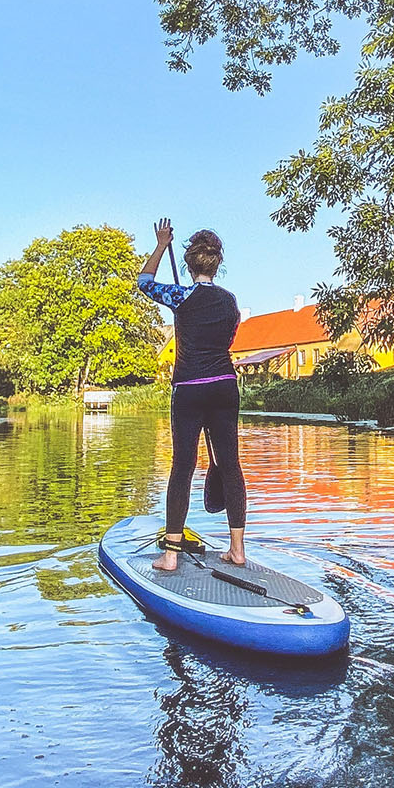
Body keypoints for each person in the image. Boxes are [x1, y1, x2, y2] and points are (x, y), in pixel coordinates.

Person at [136, 218, 247, 572]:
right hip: (224, 385)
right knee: (230, 465)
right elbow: (227, 341)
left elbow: (144, 282)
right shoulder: (230, 302)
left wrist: (159, 244)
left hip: (189, 389)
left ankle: (170, 554)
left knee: (183, 467)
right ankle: (237, 550)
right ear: (217, 263)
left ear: (189, 263)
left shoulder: (180, 296)